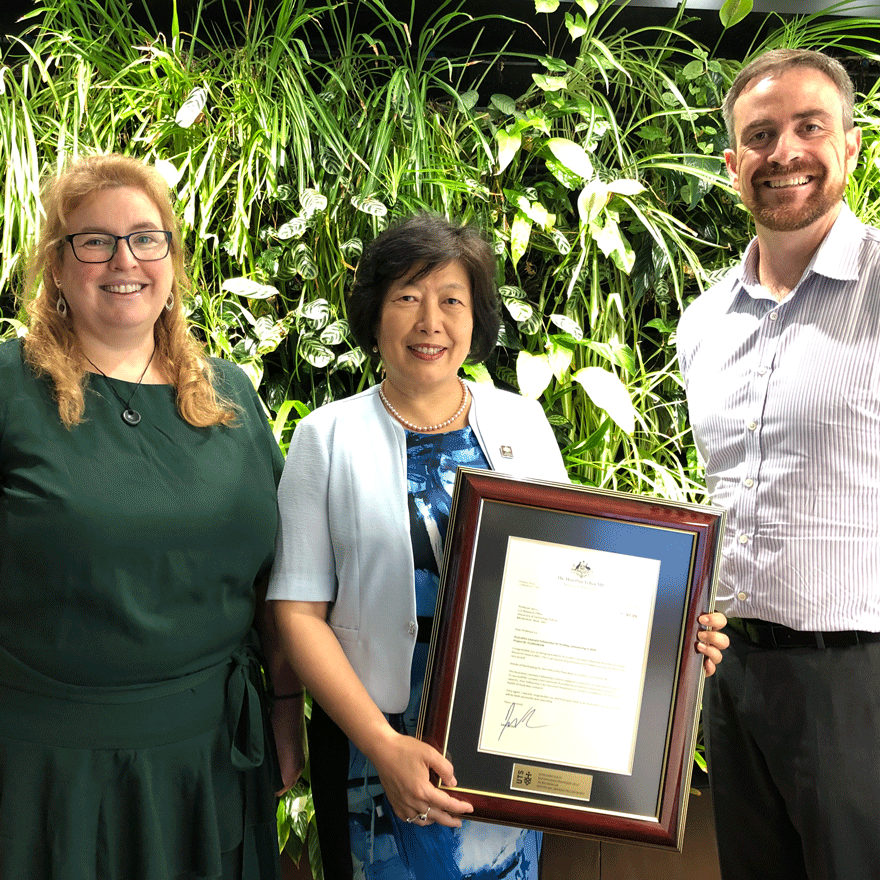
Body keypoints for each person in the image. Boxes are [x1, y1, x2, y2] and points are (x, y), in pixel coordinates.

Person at [268, 213, 729, 879]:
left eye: (451, 300)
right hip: (375, 756)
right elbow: (298, 614)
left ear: (475, 319)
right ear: (374, 315)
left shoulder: (522, 422)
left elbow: (581, 582)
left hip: (509, 751)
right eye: (407, 298)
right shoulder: (326, 436)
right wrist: (383, 744)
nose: (430, 322)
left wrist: (674, 636)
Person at [0, 153, 303, 880]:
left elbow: (273, 577)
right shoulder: (9, 391)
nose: (123, 259)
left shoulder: (228, 393)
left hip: (207, 761)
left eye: (146, 237)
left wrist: (287, 706)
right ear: (58, 266)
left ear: (171, 260)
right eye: (94, 240)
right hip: (44, 767)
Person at [676, 49, 880, 879]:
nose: (784, 152)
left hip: (857, 680)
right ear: (733, 165)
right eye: (760, 136)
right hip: (733, 676)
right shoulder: (703, 325)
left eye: (809, 126)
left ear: (851, 145)